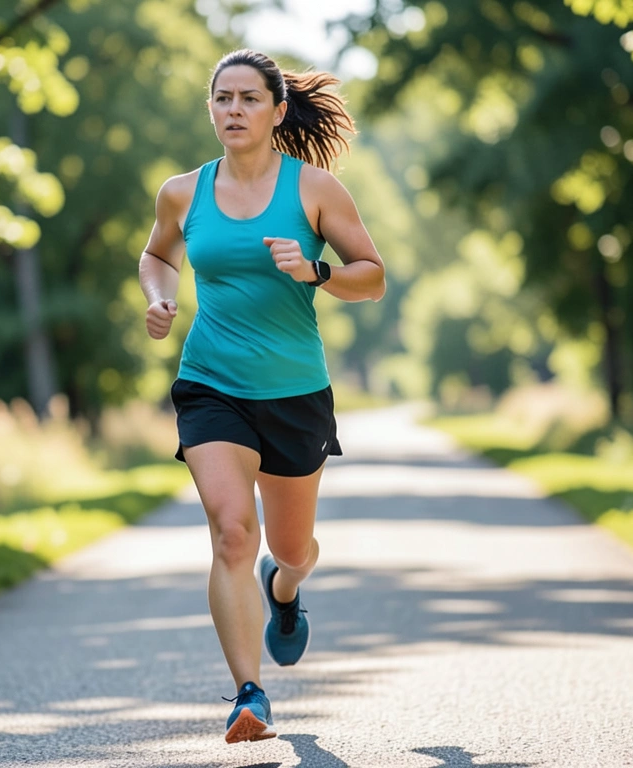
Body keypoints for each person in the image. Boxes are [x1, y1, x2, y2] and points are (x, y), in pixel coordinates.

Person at [138, 49, 386, 744]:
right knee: (231, 533)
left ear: (278, 111)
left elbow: (373, 277)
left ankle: (285, 587)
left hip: (294, 393)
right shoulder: (182, 192)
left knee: (291, 546)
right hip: (211, 385)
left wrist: (316, 270)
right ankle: (249, 694)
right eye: (222, 99)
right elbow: (157, 255)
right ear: (210, 108)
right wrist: (160, 298)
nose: (234, 110)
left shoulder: (315, 190)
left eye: (249, 99)